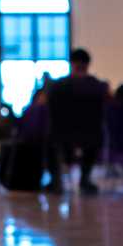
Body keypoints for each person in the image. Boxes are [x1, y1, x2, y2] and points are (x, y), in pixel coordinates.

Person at [46, 48, 110, 194]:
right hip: (91, 134)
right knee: (92, 139)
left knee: (50, 138)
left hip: (61, 134)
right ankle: (85, 179)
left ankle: (56, 178)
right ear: (88, 64)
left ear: (71, 63)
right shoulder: (98, 87)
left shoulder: (57, 87)